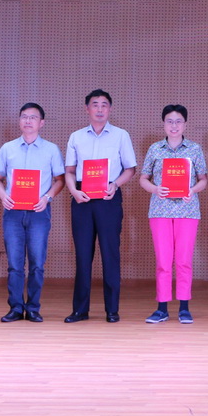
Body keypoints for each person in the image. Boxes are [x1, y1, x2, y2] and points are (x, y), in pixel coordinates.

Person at [64, 89, 136, 324]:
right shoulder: (76, 137)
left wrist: (115, 184)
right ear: (87, 109)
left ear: (110, 109)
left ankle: (112, 309)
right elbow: (70, 171)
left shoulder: (121, 135)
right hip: (82, 198)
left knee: (110, 253)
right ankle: (80, 310)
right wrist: (74, 191)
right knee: (83, 255)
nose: (100, 109)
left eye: (104, 105)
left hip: (108, 197)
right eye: (95, 104)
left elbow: (130, 169)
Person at [0, 102, 64, 323]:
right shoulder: (8, 148)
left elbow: (60, 180)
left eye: (33, 117)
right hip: (13, 212)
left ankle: (33, 308)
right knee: (14, 264)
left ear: (42, 123)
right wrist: (3, 196)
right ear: (19, 121)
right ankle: (15, 307)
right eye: (24, 116)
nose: (28, 121)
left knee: (37, 263)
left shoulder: (51, 149)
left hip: (39, 212)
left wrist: (47, 197)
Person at [138, 104, 208, 324]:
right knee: (163, 261)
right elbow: (143, 178)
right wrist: (155, 189)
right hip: (160, 210)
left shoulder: (194, 149)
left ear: (185, 124)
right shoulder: (155, 149)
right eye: (170, 121)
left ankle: (184, 308)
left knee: (184, 261)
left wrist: (192, 190)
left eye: (178, 121)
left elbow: (203, 179)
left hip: (187, 211)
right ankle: (162, 308)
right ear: (163, 124)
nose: (174, 125)